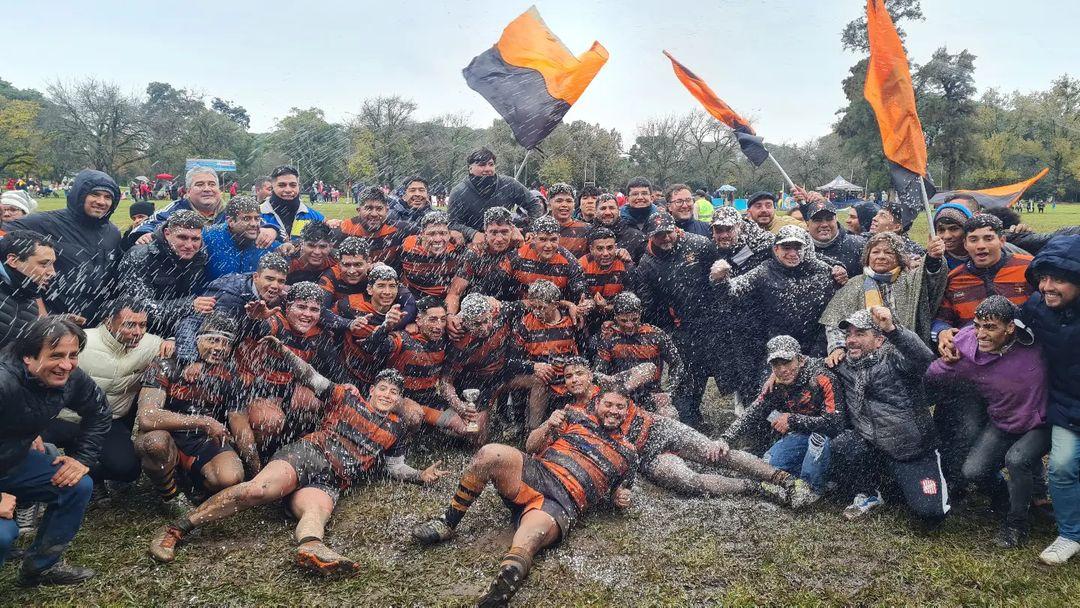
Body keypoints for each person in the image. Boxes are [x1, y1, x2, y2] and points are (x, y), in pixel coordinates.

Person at [148, 347, 447, 573]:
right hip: (309, 455)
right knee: (256, 491)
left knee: (316, 512)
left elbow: (395, 467)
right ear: (372, 390)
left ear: (399, 399)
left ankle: (313, 548)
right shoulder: (347, 396)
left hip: (333, 479)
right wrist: (285, 352)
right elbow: (310, 376)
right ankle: (178, 528)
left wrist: (419, 475)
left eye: (394, 392)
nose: (387, 394)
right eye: (383, 388)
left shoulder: (396, 428)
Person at [412, 389, 638, 607]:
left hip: (565, 500)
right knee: (490, 453)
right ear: (597, 403)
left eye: (620, 407)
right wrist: (548, 424)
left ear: (627, 411)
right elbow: (531, 445)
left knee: (531, 537)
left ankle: (502, 588)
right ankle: (447, 522)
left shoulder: (628, 453)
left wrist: (621, 497)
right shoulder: (575, 418)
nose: (614, 411)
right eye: (608, 404)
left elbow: (619, 492)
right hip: (538, 472)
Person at [563, 358, 806, 502]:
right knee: (689, 482)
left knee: (717, 454)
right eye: (568, 376)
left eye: (580, 374)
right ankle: (754, 487)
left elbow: (649, 368)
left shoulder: (607, 384)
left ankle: (784, 479)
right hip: (645, 456)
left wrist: (621, 384)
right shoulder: (572, 412)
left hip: (659, 428)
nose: (575, 380)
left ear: (590, 375)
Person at [926, 296, 1048, 548]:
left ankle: (1017, 524)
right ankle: (1005, 498)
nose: (981, 333)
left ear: (1010, 328)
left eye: (990, 327)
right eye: (978, 325)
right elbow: (935, 372)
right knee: (973, 471)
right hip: (1002, 420)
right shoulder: (966, 344)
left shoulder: (1035, 344)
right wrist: (942, 360)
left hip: (1040, 421)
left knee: (1017, 460)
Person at [0, 317, 109, 585]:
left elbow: (99, 411)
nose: (66, 364)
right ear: (28, 356)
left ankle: (40, 567)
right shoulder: (3, 383)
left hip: (12, 459)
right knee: (4, 535)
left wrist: (82, 458)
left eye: (73, 355)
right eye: (57, 355)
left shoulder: (72, 378)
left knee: (76, 484)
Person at [829, 308, 949, 526]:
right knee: (843, 445)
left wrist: (893, 329)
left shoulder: (895, 359)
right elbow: (806, 367)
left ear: (879, 339)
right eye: (848, 335)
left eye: (860, 334)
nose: (852, 340)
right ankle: (871, 492)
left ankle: (904, 484)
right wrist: (777, 373)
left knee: (930, 514)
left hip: (911, 452)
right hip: (873, 447)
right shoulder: (844, 365)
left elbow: (923, 358)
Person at [45, 299, 165, 487]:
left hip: (106, 421)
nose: (138, 332)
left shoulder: (152, 345)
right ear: (109, 322)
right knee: (21, 445)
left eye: (143, 325)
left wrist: (175, 343)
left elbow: (183, 352)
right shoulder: (81, 340)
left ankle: (92, 476)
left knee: (128, 469)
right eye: (129, 325)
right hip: (62, 417)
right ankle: (43, 483)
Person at [723, 335, 843, 504]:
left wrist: (792, 420)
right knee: (767, 466)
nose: (782, 369)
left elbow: (835, 423)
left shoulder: (822, 376)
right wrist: (725, 439)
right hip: (800, 435)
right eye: (776, 365)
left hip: (829, 436)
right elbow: (754, 411)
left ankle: (816, 487)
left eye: (787, 362)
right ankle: (799, 475)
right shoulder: (776, 381)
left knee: (818, 441)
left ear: (800, 360)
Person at [1020, 235, 1080, 565]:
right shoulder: (1036, 307)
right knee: (1061, 466)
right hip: (1066, 403)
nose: (1047, 287)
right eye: (1043, 278)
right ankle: (1070, 533)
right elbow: (1008, 327)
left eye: (1058, 278)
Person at [635, 212, 721, 428]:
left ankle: (702, 412)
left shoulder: (700, 244)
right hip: (679, 325)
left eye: (668, 232)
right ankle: (688, 419)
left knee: (707, 370)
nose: (665, 238)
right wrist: (668, 327)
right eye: (658, 235)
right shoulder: (647, 262)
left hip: (709, 319)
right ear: (650, 236)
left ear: (676, 229)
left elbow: (720, 275)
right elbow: (649, 301)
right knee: (684, 372)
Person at [712, 225, 847, 363]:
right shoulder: (765, 271)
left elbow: (836, 311)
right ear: (776, 249)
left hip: (818, 349)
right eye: (786, 248)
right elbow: (731, 291)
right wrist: (720, 278)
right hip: (777, 350)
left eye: (797, 248)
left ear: (805, 248)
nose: (793, 253)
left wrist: (840, 269)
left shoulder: (823, 271)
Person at [7, 169, 121, 323]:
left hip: (97, 325)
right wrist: (35, 300)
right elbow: (4, 240)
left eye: (108, 197)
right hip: (54, 323)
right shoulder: (45, 223)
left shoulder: (113, 233)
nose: (101, 201)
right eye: (95, 194)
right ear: (79, 195)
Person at [820, 232, 948, 365]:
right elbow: (834, 320)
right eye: (875, 252)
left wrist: (933, 258)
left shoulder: (911, 279)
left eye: (888, 252)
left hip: (908, 357)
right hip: (866, 360)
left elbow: (932, 281)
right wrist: (838, 347)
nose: (881, 256)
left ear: (899, 258)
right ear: (867, 257)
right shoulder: (854, 284)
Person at [934, 214, 1034, 359]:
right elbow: (942, 318)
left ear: (1002, 241)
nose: (981, 246)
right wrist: (942, 332)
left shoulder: (1028, 267)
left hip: (1025, 356)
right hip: (975, 360)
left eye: (988, 238)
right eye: (973, 240)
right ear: (965, 244)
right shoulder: (954, 278)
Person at [173, 253, 289, 362]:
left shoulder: (281, 298)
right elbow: (191, 322)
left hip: (232, 354)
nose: (275, 286)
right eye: (269, 279)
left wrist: (256, 320)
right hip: (207, 354)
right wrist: (191, 360)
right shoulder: (228, 296)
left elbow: (257, 333)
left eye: (281, 281)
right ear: (256, 277)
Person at [117, 210, 212, 336]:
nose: (189, 245)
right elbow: (138, 307)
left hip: (178, 329)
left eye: (195, 239)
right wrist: (189, 305)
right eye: (182, 237)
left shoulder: (201, 255)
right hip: (139, 333)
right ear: (167, 233)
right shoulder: (140, 255)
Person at [595, 292, 681, 418]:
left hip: (651, 394)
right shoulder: (609, 338)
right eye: (624, 320)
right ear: (615, 317)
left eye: (634, 319)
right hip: (620, 395)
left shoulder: (655, 335)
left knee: (669, 413)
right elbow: (597, 372)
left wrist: (669, 392)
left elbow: (677, 363)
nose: (629, 325)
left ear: (640, 314)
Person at [446, 206, 520, 323]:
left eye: (504, 232)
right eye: (493, 232)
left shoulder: (520, 247)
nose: (499, 238)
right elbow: (455, 293)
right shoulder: (475, 253)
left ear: (512, 230)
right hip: (478, 308)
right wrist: (450, 317)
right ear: (485, 232)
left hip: (511, 307)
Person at [448, 147, 541, 240]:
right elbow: (452, 223)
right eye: (482, 165)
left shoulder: (509, 184)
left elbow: (534, 204)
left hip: (505, 240)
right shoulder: (458, 192)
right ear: (470, 168)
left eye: (491, 164)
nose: (488, 169)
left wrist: (529, 229)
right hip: (475, 244)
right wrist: (473, 233)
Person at [494, 215, 586, 302]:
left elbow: (582, 292)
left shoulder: (569, 260)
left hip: (554, 311)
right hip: (522, 309)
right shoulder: (517, 256)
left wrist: (585, 303)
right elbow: (493, 284)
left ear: (559, 238)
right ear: (534, 238)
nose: (548, 245)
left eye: (553, 240)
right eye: (543, 239)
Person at [202, 195, 283, 281]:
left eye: (257, 218)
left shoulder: (266, 241)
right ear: (231, 221)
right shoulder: (209, 238)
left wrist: (287, 246)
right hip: (213, 293)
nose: (253, 224)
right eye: (246, 219)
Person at [335, 186, 417, 268]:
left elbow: (426, 233)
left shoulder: (399, 229)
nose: (374, 214)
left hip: (388, 279)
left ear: (387, 211)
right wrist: (326, 221)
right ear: (359, 210)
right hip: (354, 277)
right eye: (368, 208)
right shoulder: (345, 228)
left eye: (379, 209)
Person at [0, 230, 55, 348]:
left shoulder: (30, 301)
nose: (52, 273)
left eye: (52, 264)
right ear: (13, 261)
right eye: (44, 264)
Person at [400, 211, 462, 298]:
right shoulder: (407, 246)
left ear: (449, 234)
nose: (437, 239)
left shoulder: (456, 249)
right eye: (431, 234)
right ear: (422, 234)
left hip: (446, 300)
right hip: (412, 299)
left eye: (443, 233)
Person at [802, 197, 866, 278]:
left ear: (836, 220)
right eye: (817, 220)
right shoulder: (800, 248)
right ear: (808, 224)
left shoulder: (858, 245)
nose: (824, 224)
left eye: (829, 219)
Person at [260, 165, 326, 242]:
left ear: (299, 186)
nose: (288, 189)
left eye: (293, 185)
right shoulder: (256, 215)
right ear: (272, 187)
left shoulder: (316, 217)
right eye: (282, 185)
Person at [594, 194, 647, 262]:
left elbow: (645, 269)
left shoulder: (637, 237)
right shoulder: (587, 235)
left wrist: (628, 264)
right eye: (603, 208)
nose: (607, 212)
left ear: (619, 211)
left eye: (612, 208)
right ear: (595, 212)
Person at [547, 183, 591, 258]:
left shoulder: (587, 229)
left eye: (569, 201)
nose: (564, 204)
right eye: (559, 201)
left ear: (574, 205)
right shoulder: (539, 228)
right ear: (549, 205)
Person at [931, 203, 975, 270]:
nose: (947, 236)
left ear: (967, 230)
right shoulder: (932, 259)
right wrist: (932, 261)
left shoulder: (981, 255)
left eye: (954, 229)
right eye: (941, 230)